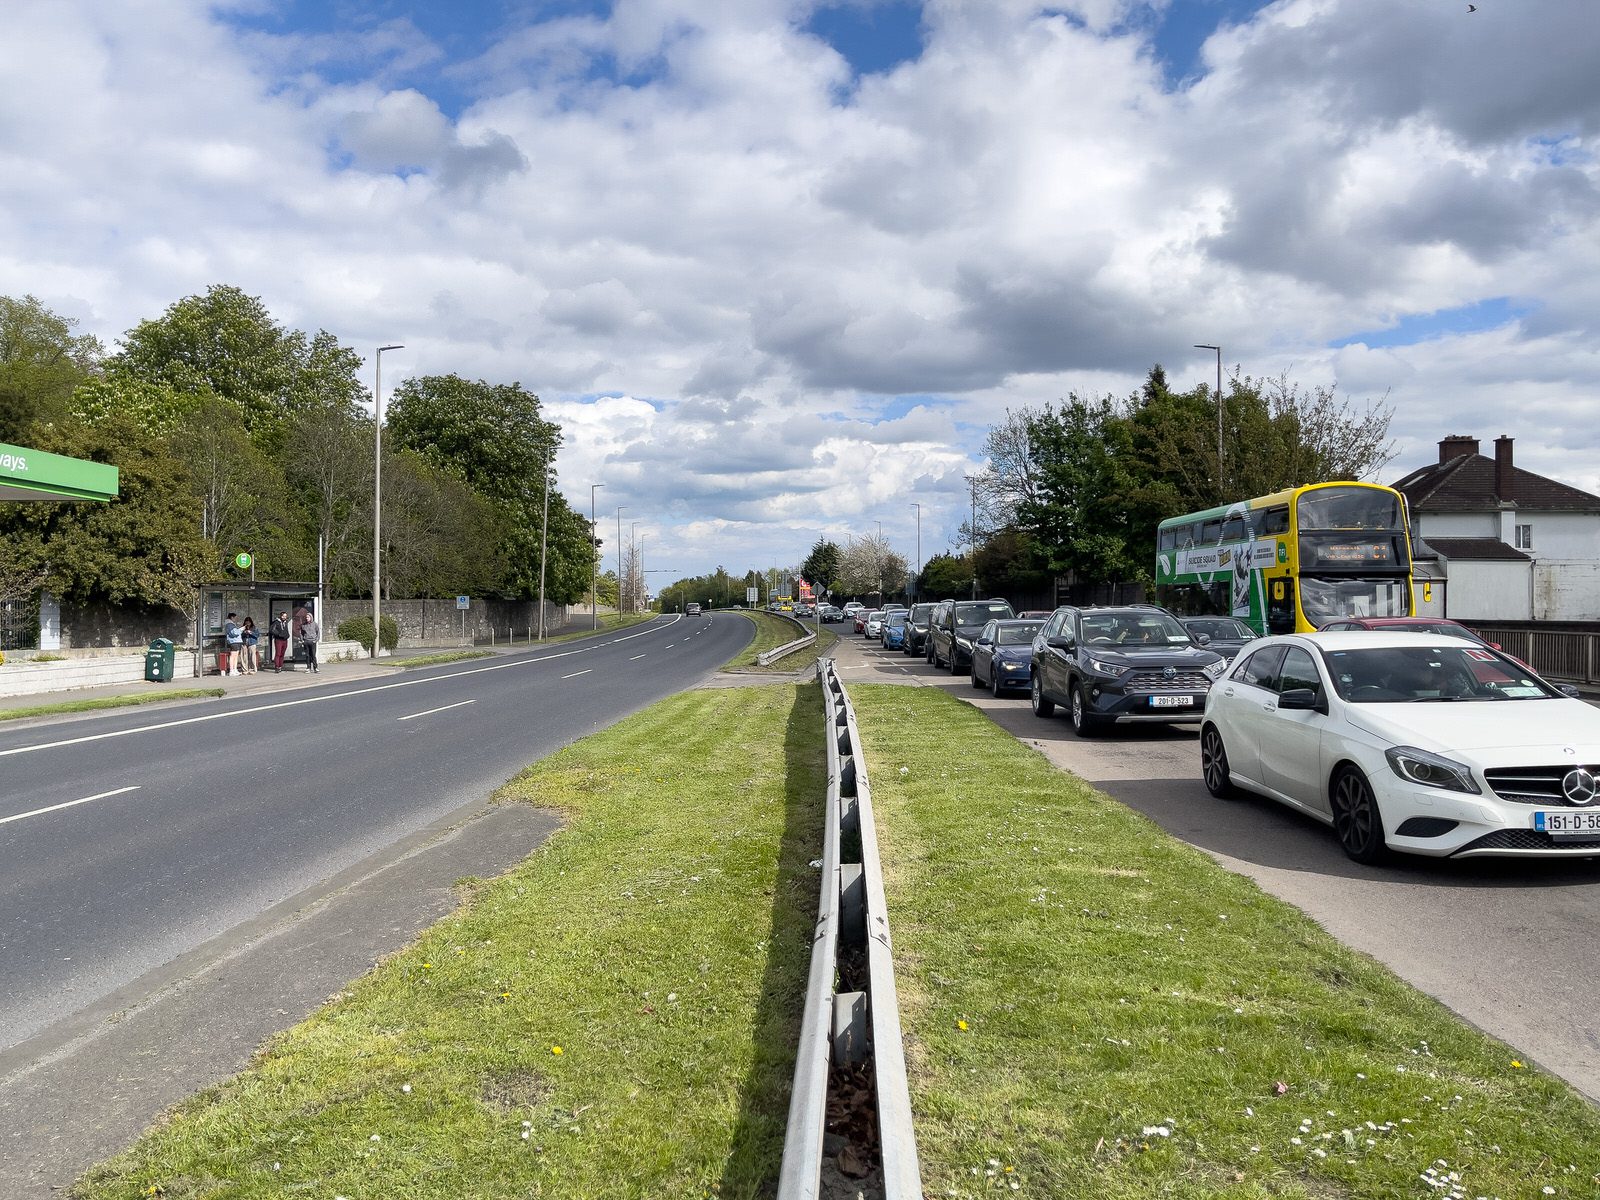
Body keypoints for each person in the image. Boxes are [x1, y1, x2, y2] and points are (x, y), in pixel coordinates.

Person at [222, 612, 243, 676]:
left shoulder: (232, 624)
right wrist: (241, 629)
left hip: (236, 641)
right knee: (233, 656)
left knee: (236, 656)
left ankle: (235, 669)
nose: (236, 619)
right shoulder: (229, 624)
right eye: (235, 618)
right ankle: (231, 670)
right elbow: (234, 633)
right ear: (232, 617)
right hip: (233, 641)